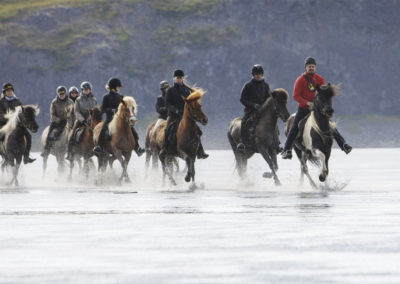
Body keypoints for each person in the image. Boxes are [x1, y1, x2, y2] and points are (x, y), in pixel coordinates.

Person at [281, 57, 352, 159]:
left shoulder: (319, 79)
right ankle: (286, 149)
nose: (311, 68)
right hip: (303, 109)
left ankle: (344, 145)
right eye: (309, 66)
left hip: (317, 109)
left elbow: (323, 93)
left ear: (315, 67)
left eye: (313, 66)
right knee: (294, 127)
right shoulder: (300, 80)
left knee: (331, 125)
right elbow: (295, 96)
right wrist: (307, 103)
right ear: (305, 67)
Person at [159, 69, 208, 159]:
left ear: (182, 79)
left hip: (186, 116)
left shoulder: (186, 90)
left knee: (198, 130)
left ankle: (200, 151)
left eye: (180, 78)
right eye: (177, 78)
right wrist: (176, 111)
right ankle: (164, 149)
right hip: (173, 115)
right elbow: (167, 104)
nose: (178, 79)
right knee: (167, 129)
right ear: (174, 79)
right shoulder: (170, 90)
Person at [93, 77, 145, 156]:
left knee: (133, 131)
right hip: (110, 118)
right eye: (118, 86)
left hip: (120, 118)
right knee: (103, 130)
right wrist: (112, 110)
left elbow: (124, 107)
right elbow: (103, 109)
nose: (119, 87)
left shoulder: (121, 97)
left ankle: (137, 148)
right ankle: (99, 147)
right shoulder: (106, 97)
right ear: (114, 86)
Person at [237, 64, 271, 152]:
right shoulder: (248, 85)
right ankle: (242, 142)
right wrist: (253, 105)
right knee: (244, 121)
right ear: (253, 74)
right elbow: (242, 99)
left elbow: (268, 98)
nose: (258, 75)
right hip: (250, 110)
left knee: (272, 120)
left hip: (263, 110)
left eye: (259, 73)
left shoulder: (266, 85)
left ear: (262, 74)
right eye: (256, 73)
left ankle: (276, 142)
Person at [0, 83, 35, 163]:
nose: (9, 92)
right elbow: (0, 114)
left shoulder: (17, 101)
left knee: (28, 136)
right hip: (4, 124)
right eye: (8, 91)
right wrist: (10, 117)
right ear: (4, 92)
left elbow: (21, 113)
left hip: (16, 124)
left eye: (11, 91)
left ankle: (26, 155)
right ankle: (3, 152)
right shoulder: (1, 102)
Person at [66, 81, 98, 161]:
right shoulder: (78, 100)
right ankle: (70, 152)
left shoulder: (94, 100)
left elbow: (96, 110)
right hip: (81, 120)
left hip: (91, 120)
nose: (86, 91)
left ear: (90, 90)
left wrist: (94, 118)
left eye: (87, 89)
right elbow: (76, 112)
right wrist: (83, 120)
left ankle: (101, 148)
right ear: (82, 90)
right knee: (72, 133)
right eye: (84, 89)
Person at [42, 86, 74, 157]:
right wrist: (59, 120)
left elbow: (73, 113)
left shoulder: (70, 102)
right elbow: (52, 115)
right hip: (56, 122)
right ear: (58, 94)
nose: (62, 95)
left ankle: (72, 151)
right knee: (50, 134)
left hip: (68, 121)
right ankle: (46, 150)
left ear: (65, 93)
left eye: (63, 94)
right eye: (60, 94)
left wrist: (69, 120)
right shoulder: (54, 102)